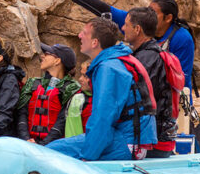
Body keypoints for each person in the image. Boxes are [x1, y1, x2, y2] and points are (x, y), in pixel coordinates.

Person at [50, 0, 197, 97]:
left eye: (153, 12)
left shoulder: (182, 38)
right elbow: (105, 10)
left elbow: (182, 79)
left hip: (174, 102)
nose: (124, 28)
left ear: (168, 18)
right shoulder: (138, 24)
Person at [45, 18, 157, 161]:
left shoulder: (109, 68)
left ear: (94, 42)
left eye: (84, 33)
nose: (79, 35)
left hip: (126, 141)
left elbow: (102, 118)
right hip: (130, 138)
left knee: (50, 152)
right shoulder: (117, 60)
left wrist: (88, 156)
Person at [121, 7, 176, 158]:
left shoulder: (145, 60)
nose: (122, 28)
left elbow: (135, 100)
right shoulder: (152, 53)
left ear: (137, 29)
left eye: (126, 24)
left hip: (151, 141)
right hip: (162, 137)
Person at [15, 43, 81, 145]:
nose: (42, 56)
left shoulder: (71, 88)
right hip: (27, 143)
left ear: (57, 61)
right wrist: (26, 139)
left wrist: (43, 145)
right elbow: (22, 113)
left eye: (47, 54)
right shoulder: (32, 83)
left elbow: (62, 121)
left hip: (54, 146)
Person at [63, 61, 92, 138]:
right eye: (81, 75)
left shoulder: (107, 99)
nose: (80, 79)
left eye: (85, 76)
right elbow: (72, 133)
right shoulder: (78, 99)